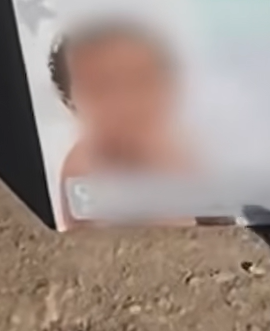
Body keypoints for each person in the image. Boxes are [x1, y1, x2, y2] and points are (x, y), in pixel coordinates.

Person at [48, 21, 224, 228]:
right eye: (101, 89)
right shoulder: (82, 166)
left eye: (141, 81)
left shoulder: (187, 151)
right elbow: (81, 237)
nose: (125, 103)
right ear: (71, 102)